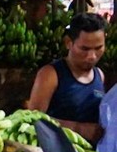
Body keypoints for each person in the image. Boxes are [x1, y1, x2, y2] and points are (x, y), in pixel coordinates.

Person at [27, 12, 107, 144]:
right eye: (84, 49)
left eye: (98, 48)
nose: (92, 56)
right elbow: (32, 120)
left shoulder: (100, 75)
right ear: (68, 43)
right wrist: (78, 128)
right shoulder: (50, 74)